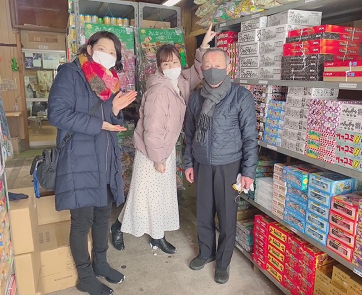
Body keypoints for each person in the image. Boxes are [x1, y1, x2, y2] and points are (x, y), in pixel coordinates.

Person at [110, 25, 217, 254]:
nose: (171, 67)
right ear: (159, 67)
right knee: (143, 196)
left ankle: (156, 236)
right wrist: (158, 158)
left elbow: (196, 71)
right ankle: (118, 227)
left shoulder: (178, 81)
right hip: (152, 151)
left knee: (158, 197)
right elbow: (152, 129)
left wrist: (204, 45)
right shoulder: (160, 90)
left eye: (174, 62)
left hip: (165, 149)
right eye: (165, 64)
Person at [48, 31, 137, 295]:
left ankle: (101, 264)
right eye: (103, 48)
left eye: (113, 52)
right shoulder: (70, 74)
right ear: (89, 48)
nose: (108, 54)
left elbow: (109, 119)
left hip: (105, 159)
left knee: (101, 217)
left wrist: (116, 111)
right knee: (82, 221)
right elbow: (57, 113)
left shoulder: (107, 82)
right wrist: (99, 123)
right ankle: (85, 277)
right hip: (79, 159)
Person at [183, 48, 258, 284]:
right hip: (202, 163)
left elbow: (249, 137)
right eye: (207, 65)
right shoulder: (196, 98)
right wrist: (188, 163)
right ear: (202, 69)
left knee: (227, 217)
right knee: (203, 214)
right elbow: (189, 134)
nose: (212, 69)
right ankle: (206, 252)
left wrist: (248, 171)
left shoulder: (240, 96)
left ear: (228, 68)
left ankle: (223, 263)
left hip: (230, 165)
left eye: (217, 65)